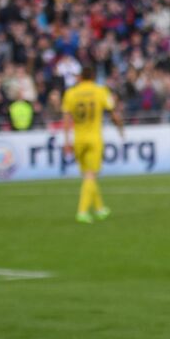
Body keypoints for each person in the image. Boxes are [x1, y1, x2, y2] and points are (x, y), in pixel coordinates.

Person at [61, 65, 124, 223]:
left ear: (80, 77)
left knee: (87, 175)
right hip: (94, 138)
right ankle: (82, 211)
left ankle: (100, 209)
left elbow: (67, 118)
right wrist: (120, 128)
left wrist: (67, 140)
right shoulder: (100, 91)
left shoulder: (71, 93)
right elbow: (113, 112)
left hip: (78, 138)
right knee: (91, 175)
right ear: (94, 77)